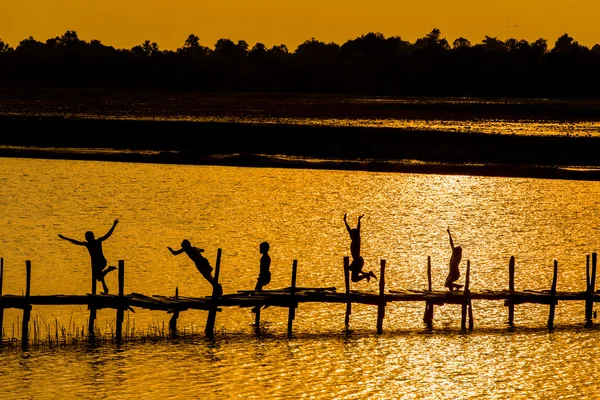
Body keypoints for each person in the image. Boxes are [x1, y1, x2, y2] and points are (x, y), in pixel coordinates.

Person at [58, 218, 119, 294]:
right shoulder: (95, 242)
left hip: (100, 263)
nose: (86, 239)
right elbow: (76, 242)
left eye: (87, 237)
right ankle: (105, 289)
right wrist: (66, 238)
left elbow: (107, 235)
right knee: (99, 276)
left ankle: (108, 270)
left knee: (98, 276)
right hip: (100, 263)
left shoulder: (91, 243)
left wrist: (114, 225)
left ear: (90, 237)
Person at [344, 213, 377, 283]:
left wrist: (359, 221)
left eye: (351, 234)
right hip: (356, 261)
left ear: (355, 235)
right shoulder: (355, 239)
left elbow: (358, 229)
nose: (350, 235)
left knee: (354, 279)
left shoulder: (356, 240)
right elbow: (349, 230)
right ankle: (367, 274)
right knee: (350, 270)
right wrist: (345, 221)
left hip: (358, 261)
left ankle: (368, 274)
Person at [444, 227, 464, 291]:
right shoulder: (453, 254)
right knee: (446, 284)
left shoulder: (458, 258)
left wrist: (459, 250)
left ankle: (458, 287)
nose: (454, 251)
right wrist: (449, 234)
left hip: (455, 273)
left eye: (456, 251)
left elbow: (458, 251)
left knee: (448, 282)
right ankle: (453, 291)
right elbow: (451, 244)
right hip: (451, 272)